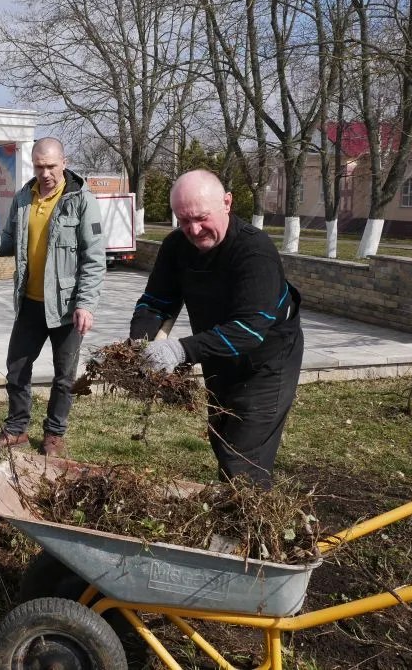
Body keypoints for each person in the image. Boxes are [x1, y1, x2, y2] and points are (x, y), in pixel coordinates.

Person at [129, 169, 303, 487]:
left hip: (266, 362)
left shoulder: (254, 252)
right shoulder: (176, 247)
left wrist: (180, 350)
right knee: (223, 440)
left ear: (227, 202)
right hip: (218, 355)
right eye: (183, 220)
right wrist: (138, 345)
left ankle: (244, 532)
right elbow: (155, 303)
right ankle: (238, 521)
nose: (193, 230)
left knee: (243, 458)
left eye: (200, 217)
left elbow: (249, 330)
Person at [0, 137, 105, 457]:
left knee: (65, 376)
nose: (45, 173)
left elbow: (94, 257)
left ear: (64, 163)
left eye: (51, 166)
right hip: (30, 302)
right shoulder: (23, 199)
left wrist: (86, 303)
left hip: (67, 307)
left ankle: (54, 435)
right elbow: (10, 242)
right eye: (39, 166)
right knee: (16, 368)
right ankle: (16, 430)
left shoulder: (81, 201)